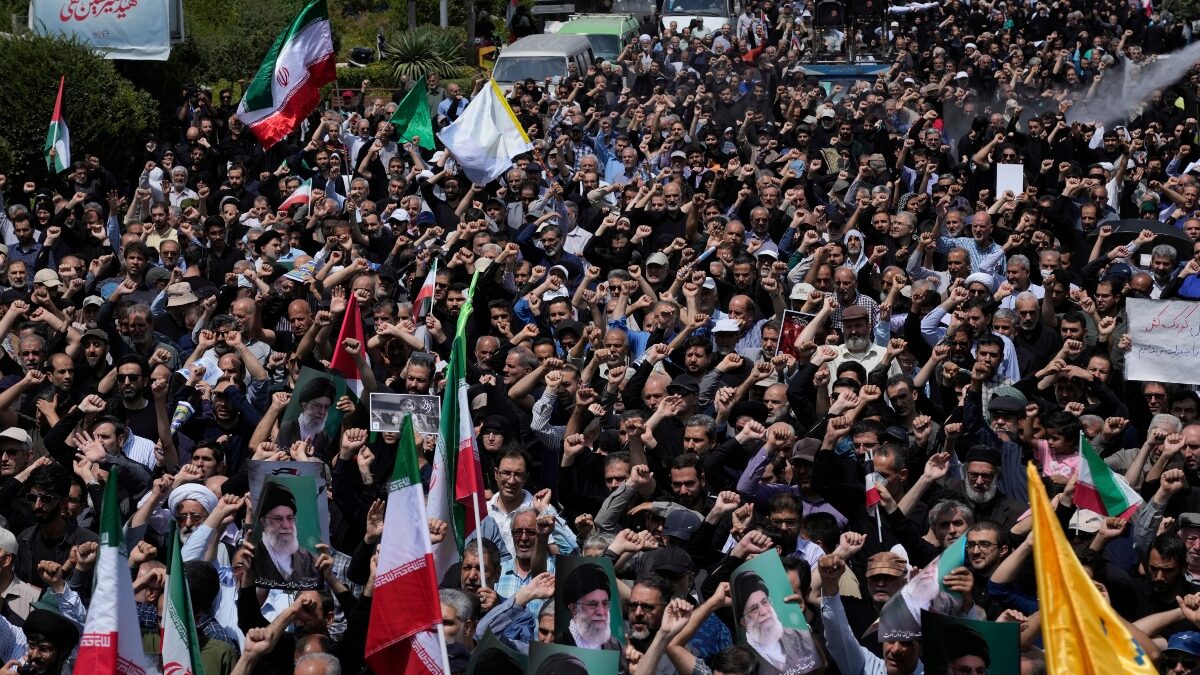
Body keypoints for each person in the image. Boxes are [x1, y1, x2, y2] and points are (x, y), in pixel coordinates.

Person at [732, 571, 821, 675]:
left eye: (765, 602)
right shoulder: (744, 659)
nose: (764, 612)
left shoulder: (798, 635)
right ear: (744, 622)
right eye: (754, 609)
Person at [253, 481, 319, 588]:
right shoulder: (251, 558)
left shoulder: (310, 561)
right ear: (263, 522)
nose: (287, 525)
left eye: (290, 518)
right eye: (278, 519)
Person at [558, 563, 619, 650]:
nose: (601, 612)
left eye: (605, 604)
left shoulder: (616, 647)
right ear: (574, 609)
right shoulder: (557, 644)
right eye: (592, 604)